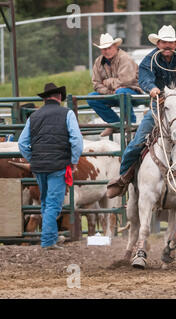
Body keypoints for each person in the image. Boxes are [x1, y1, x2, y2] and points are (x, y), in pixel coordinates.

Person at [106, 25, 176, 198]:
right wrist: (153, 89)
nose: (168, 45)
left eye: (171, 42)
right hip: (160, 105)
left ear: (175, 43)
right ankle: (124, 179)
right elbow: (144, 79)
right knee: (136, 143)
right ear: (158, 43)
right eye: (164, 42)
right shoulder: (149, 61)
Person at [18, 83, 83, 249]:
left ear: (45, 98)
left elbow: (22, 143)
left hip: (39, 167)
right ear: (60, 97)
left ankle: (51, 238)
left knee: (46, 202)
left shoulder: (34, 116)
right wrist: (74, 161)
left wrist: (33, 158)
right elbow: (76, 139)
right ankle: (47, 241)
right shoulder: (67, 113)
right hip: (58, 164)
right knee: (54, 204)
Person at [88, 33, 143, 137]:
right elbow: (96, 83)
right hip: (115, 93)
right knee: (91, 98)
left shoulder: (125, 58)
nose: (106, 51)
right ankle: (114, 123)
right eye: (104, 49)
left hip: (133, 93)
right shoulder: (98, 62)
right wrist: (110, 92)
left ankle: (131, 124)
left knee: (121, 92)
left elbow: (125, 81)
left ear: (115, 47)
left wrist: (107, 82)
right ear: (101, 50)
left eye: (109, 48)